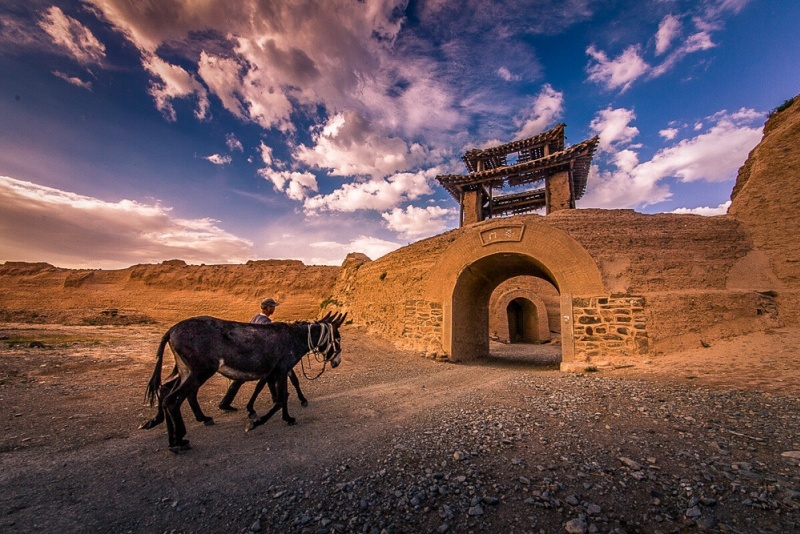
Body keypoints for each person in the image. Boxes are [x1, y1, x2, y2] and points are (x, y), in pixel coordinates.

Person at [218, 298, 308, 411]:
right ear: (268, 308)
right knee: (270, 373)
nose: (274, 309)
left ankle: (226, 402)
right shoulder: (266, 323)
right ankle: (275, 397)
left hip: (250, 351)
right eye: (273, 307)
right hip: (259, 354)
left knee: (240, 378)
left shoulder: (255, 317)